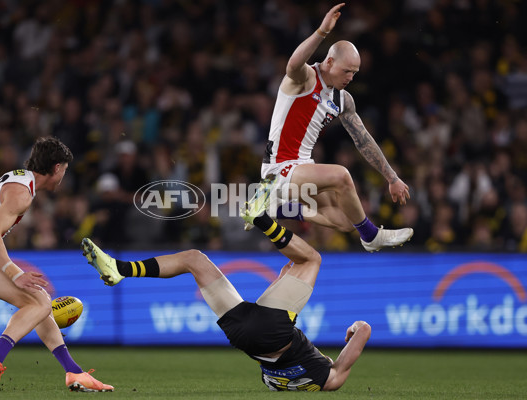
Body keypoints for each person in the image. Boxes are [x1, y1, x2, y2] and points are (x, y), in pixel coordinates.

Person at [80, 202, 371, 392]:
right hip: (243, 336)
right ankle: (119, 269)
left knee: (312, 260)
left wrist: (357, 327)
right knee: (194, 260)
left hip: (270, 330)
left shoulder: (328, 376)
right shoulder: (294, 379)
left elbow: (360, 338)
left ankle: (261, 218)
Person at [0, 137, 113, 393]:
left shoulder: (22, 180)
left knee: (39, 302)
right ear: (56, 168)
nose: (64, 177)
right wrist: (15, 274)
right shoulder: (22, 193)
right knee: (39, 303)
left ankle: (74, 372)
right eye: (65, 170)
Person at [250, 3, 413, 252]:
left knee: (346, 221)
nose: (350, 77)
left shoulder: (344, 100)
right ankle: (371, 237)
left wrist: (392, 178)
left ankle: (272, 207)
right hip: (279, 168)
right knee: (342, 176)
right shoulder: (306, 78)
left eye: (355, 73)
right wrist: (322, 32)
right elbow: (292, 65)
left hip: (303, 168)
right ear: (328, 62)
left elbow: (363, 140)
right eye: (346, 70)